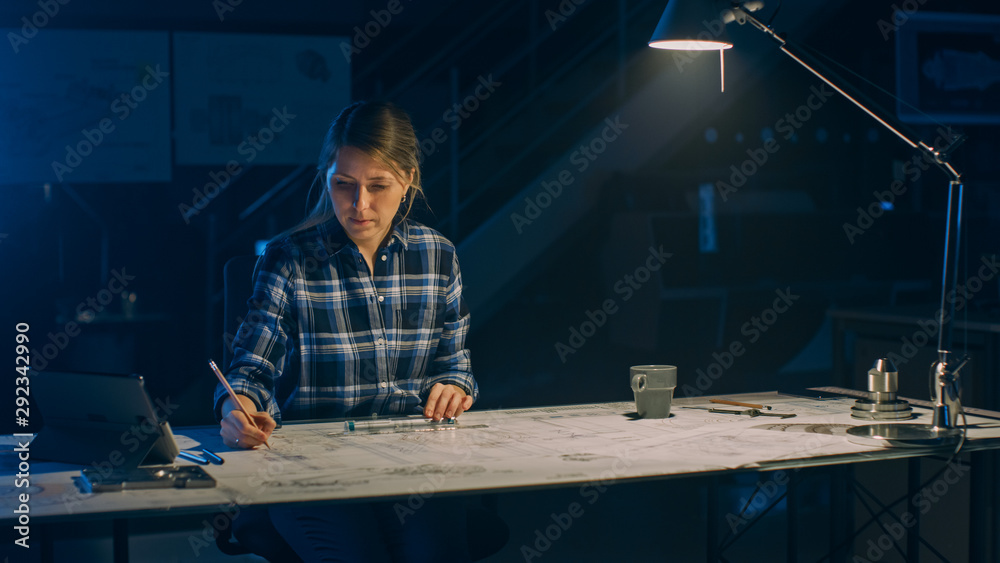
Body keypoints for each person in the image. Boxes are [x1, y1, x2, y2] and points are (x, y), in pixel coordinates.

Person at [215, 101, 478, 562]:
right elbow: (251, 370)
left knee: (435, 552)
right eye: (343, 185)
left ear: (409, 179)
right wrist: (241, 409)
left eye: (378, 186)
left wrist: (454, 385)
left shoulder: (438, 255)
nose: (359, 205)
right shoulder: (288, 258)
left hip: (412, 465)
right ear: (326, 177)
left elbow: (454, 363)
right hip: (314, 471)